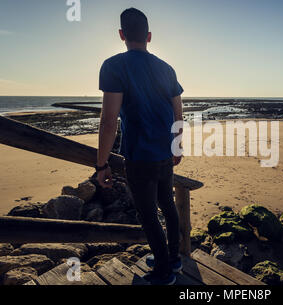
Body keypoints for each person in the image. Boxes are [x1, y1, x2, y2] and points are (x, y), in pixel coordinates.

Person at [95, 7, 184, 285]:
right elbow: (178, 113)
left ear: (121, 34)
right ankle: (174, 259)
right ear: (149, 36)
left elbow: (109, 121)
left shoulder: (113, 65)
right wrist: (177, 147)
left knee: (148, 215)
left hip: (139, 155)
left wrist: (101, 164)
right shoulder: (166, 68)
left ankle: (163, 272)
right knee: (167, 205)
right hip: (165, 152)